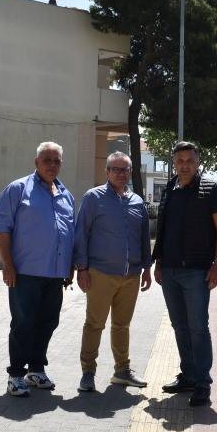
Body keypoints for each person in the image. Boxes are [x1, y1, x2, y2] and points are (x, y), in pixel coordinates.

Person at [0, 142, 76, 397]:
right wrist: (8, 265)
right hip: (25, 273)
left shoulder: (66, 195)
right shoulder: (18, 189)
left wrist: (69, 266)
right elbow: (3, 230)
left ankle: (36, 370)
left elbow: (69, 235)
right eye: (47, 160)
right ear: (36, 162)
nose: (52, 165)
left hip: (55, 275)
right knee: (23, 323)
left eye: (56, 161)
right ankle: (16, 375)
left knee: (48, 322)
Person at [152, 141, 217, 407]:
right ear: (174, 163)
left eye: (190, 161)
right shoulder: (169, 190)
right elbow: (163, 228)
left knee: (197, 327)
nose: (185, 165)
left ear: (197, 163)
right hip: (169, 270)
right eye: (180, 161)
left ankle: (203, 383)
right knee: (179, 326)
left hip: (197, 271)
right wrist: (158, 262)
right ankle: (188, 375)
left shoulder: (210, 189)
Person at [73, 152, 152, 393]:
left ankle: (122, 371)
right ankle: (88, 372)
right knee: (94, 324)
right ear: (106, 172)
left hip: (131, 276)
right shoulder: (93, 198)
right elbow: (81, 234)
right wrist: (82, 268)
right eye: (115, 169)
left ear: (130, 172)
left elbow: (143, 237)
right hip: (100, 274)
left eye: (125, 169)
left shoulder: (137, 201)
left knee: (122, 325)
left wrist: (147, 268)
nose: (120, 173)